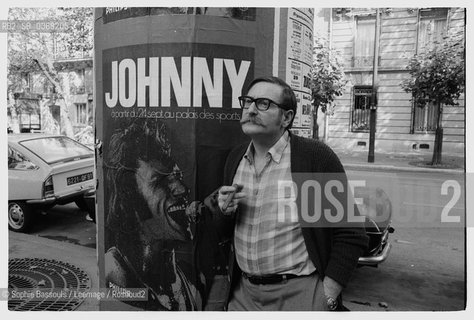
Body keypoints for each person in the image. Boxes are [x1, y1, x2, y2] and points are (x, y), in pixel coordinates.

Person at [205, 76, 368, 311]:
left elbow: (350, 233)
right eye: (247, 102)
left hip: (299, 296)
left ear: (287, 117)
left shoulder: (313, 158)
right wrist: (224, 213)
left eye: (263, 104)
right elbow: (223, 232)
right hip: (243, 296)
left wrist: (327, 297)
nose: (251, 110)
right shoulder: (235, 159)